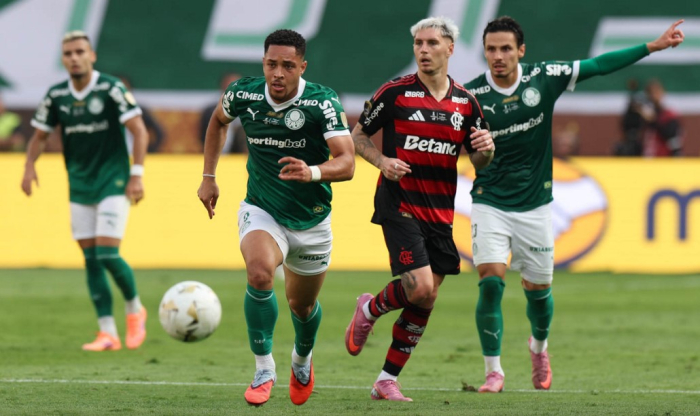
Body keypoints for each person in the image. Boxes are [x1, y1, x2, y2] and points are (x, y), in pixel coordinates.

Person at [463, 16, 684, 393]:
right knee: (490, 283)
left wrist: (652, 46)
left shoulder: (544, 77)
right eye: (491, 49)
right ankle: (493, 372)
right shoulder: (470, 96)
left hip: (535, 205)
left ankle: (539, 348)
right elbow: (462, 151)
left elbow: (598, 65)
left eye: (505, 49)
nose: (498, 56)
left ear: (521, 51)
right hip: (490, 201)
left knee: (539, 294)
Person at [197, 29, 354, 406]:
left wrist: (311, 172)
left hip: (312, 220)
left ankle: (302, 359)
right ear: (263, 63)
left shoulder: (322, 102)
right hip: (262, 208)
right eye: (271, 64)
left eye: (287, 65)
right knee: (259, 273)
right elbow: (218, 121)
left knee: (302, 306)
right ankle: (264, 367)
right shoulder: (243, 94)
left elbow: (347, 162)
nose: (278, 73)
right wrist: (208, 176)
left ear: (303, 66)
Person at [344, 16, 495, 402]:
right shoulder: (395, 93)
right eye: (418, 44)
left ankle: (385, 380)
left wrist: (487, 151)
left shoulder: (466, 103)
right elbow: (357, 137)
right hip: (399, 202)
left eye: (432, 43)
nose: (423, 50)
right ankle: (370, 309)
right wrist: (382, 162)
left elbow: (480, 160)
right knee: (420, 286)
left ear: (450, 49)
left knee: (425, 298)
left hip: (440, 210)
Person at [21, 31, 149, 352]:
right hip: (79, 184)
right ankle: (107, 333)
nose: (74, 58)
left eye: (80, 51)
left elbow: (139, 130)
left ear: (92, 56)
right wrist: (29, 166)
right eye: (68, 53)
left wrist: (136, 174)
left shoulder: (110, 88)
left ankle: (135, 309)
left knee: (107, 253)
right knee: (91, 259)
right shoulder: (57, 95)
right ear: (63, 59)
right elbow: (39, 136)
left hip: (114, 180)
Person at [199, 72, 247, 154]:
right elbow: (202, 138)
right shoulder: (209, 111)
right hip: (214, 153)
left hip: (238, 156)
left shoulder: (250, 110)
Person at [119, 76, 165, 153]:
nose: (121, 93)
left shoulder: (138, 110)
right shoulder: (104, 111)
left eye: (125, 89)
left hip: (133, 154)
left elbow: (159, 132)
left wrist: (149, 150)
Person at [642, 79, 683, 157]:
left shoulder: (668, 115)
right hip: (648, 156)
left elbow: (672, 137)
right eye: (651, 93)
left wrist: (654, 120)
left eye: (656, 92)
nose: (653, 96)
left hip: (663, 158)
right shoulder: (644, 114)